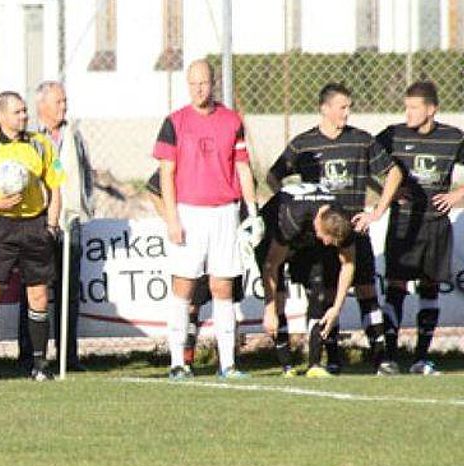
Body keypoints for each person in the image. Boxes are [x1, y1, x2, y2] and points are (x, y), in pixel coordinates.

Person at [267, 82, 403, 376]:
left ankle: (380, 358)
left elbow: (393, 173)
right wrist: (289, 202)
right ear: (324, 108)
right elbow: (273, 176)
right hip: (319, 237)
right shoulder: (303, 144)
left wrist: (377, 211)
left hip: (352, 230)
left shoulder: (361, 140)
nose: (346, 112)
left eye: (349, 107)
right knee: (325, 294)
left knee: (366, 290)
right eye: (342, 107)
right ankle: (332, 358)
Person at [153, 59, 260, 380]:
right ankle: (178, 362)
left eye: (203, 83)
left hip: (225, 212)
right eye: (193, 84)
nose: (199, 89)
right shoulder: (174, 122)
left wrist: (252, 213)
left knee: (222, 286)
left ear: (213, 84)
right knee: (184, 285)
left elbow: (242, 168)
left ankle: (228, 364)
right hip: (189, 212)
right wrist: (172, 218)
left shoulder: (232, 121)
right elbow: (166, 173)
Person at [0, 90, 63, 382]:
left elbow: (55, 187)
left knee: (39, 296)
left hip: (35, 225)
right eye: (17, 112)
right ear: (1, 115)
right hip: (1, 226)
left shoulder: (41, 144)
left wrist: (51, 225)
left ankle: (40, 365)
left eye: (24, 111)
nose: (24, 116)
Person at [376, 81, 464, 376]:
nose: (408, 113)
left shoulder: (452, 137)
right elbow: (364, 163)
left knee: (430, 287)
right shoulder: (393, 135)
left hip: (436, 224)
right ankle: (389, 358)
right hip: (404, 223)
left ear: (431, 109)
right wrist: (386, 192)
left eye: (414, 107)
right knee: (396, 286)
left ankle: (422, 358)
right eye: (406, 107)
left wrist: (457, 194)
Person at [17, 81, 95, 373]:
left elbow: (86, 173)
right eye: (58, 102)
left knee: (68, 291)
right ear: (42, 105)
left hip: (69, 221)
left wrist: (84, 208)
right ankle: (29, 355)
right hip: (36, 221)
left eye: (65, 101)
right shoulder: (28, 137)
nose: (64, 107)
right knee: (33, 289)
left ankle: (67, 356)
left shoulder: (74, 135)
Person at [144, 170, 245, 367]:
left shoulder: (230, 157)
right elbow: (154, 189)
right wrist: (172, 220)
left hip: (223, 235)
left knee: (227, 297)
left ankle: (227, 362)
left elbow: (247, 185)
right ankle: (184, 360)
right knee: (190, 301)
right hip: (194, 237)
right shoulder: (185, 156)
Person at [256, 184, 357, 377]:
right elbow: (271, 265)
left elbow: (348, 264)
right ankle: (286, 365)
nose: (327, 243)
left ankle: (314, 364)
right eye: (325, 237)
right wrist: (269, 309)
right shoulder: (293, 217)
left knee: (318, 289)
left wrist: (336, 308)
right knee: (278, 298)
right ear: (318, 223)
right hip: (273, 231)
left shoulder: (341, 218)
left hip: (305, 239)